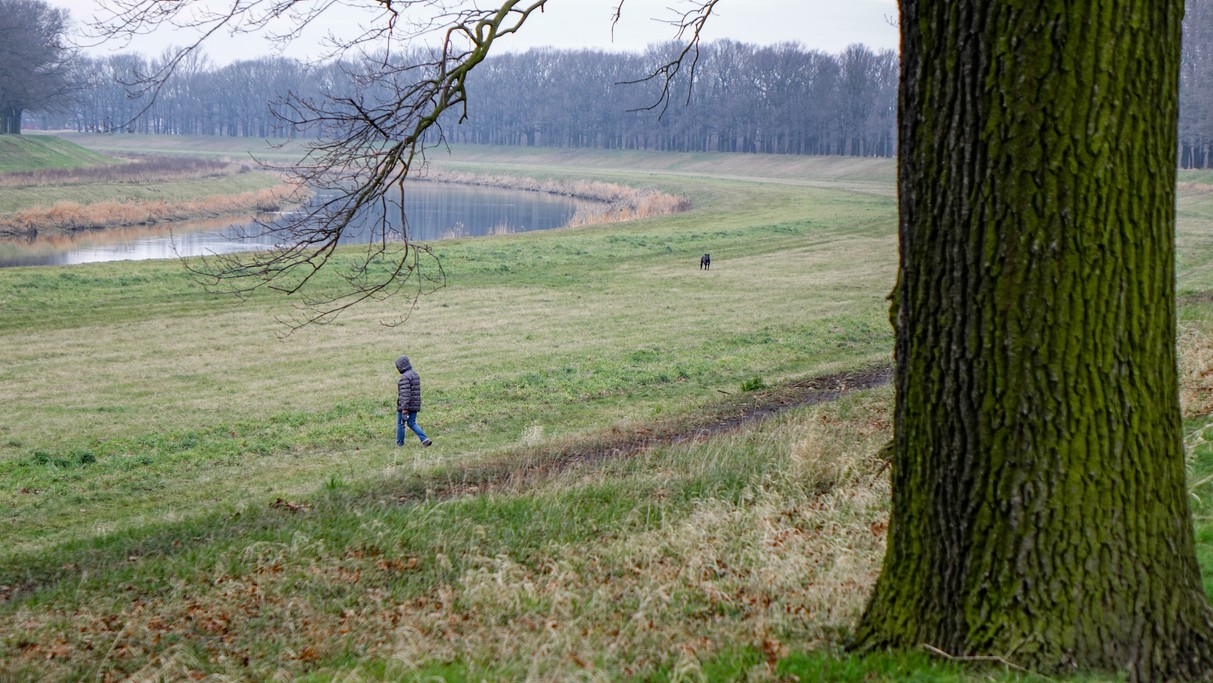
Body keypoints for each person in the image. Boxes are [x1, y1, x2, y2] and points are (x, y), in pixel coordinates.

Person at [395, 355, 432, 447]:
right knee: (411, 423)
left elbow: (405, 394)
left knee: (401, 424)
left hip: (405, 406)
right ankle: (425, 440)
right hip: (415, 404)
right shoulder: (415, 374)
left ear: (400, 367)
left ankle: (400, 444)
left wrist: (404, 408)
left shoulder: (404, 377)